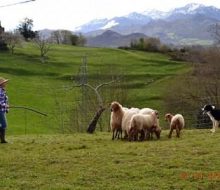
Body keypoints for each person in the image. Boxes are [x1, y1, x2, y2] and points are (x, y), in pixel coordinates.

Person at [0, 77, 9, 143]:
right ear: (1, 84)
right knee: (4, 124)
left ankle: (3, 140)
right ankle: (3, 140)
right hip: (0, 110)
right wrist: (4, 105)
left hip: (2, 110)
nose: (6, 83)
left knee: (2, 124)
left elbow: (4, 100)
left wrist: (7, 107)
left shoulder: (3, 90)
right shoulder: (0, 91)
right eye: (4, 82)